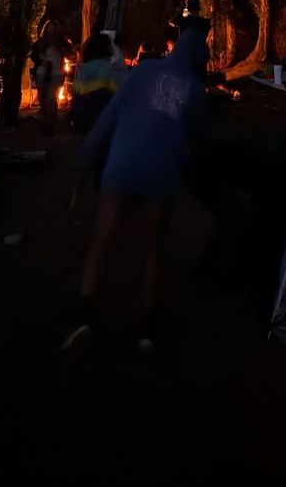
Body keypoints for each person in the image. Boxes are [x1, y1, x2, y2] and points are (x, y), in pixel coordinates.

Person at [63, 27, 210, 353]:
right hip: (161, 171)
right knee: (152, 247)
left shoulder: (143, 72)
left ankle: (86, 310)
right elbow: (202, 139)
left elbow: (107, 121)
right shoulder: (193, 89)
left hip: (123, 162)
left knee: (103, 238)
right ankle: (146, 327)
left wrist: (84, 163)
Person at [71, 33, 125, 137]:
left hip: (83, 109)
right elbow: (115, 88)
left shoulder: (83, 67)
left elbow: (76, 88)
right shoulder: (106, 66)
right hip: (100, 108)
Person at [31, 20, 68, 135]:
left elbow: (70, 51)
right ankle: (46, 120)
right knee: (43, 97)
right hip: (42, 73)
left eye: (54, 27)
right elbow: (33, 56)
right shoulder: (40, 42)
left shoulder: (61, 41)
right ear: (46, 29)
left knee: (51, 97)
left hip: (57, 73)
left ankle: (50, 124)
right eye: (50, 27)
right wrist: (41, 59)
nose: (51, 30)